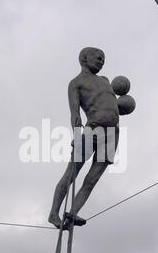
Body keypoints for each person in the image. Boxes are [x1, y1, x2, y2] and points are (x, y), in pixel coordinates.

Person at [48, 47, 120, 229]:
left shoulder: (105, 81)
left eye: (103, 58)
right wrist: (77, 134)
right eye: (98, 57)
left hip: (113, 134)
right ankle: (53, 214)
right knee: (71, 174)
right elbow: (75, 114)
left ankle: (73, 212)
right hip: (93, 129)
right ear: (84, 59)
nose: (101, 60)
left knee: (92, 179)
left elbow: (111, 105)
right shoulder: (76, 83)